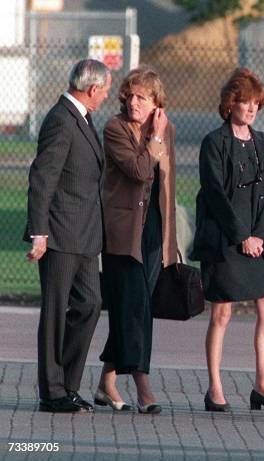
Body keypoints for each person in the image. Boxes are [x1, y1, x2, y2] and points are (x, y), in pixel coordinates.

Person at [191, 68, 264, 412]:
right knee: (222, 314)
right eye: (244, 103)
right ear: (230, 104)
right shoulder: (214, 143)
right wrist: (241, 236)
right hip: (225, 239)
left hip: (256, 240)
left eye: (255, 104)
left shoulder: (262, 143)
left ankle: (262, 384)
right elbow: (215, 195)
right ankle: (215, 389)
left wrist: (259, 236)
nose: (250, 109)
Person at [24, 59, 111, 413]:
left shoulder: (84, 119)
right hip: (59, 235)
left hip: (86, 236)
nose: (106, 96)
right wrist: (39, 233)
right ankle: (53, 392)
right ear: (92, 89)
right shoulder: (61, 120)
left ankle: (69, 384)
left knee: (89, 305)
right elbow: (42, 180)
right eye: (105, 90)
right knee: (56, 311)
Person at [95, 67, 178, 414]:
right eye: (129, 95)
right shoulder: (115, 129)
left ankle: (106, 382)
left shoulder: (166, 128)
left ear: (156, 101)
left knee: (135, 308)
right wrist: (154, 139)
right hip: (123, 232)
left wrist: (171, 239)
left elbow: (167, 184)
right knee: (136, 309)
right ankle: (144, 386)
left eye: (141, 97)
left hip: (154, 230)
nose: (133, 102)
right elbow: (140, 171)